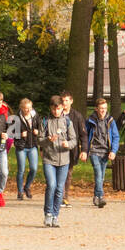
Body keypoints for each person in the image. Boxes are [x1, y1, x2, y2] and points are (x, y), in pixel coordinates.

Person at [39, 94, 76, 227]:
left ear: (62, 108)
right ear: (51, 108)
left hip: (64, 160)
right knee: (52, 185)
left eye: (59, 109)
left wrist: (68, 144)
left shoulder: (67, 121)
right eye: (54, 109)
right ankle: (48, 214)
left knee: (60, 188)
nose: (56, 111)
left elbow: (74, 140)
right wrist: (48, 140)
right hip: (49, 159)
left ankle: (55, 215)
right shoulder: (45, 121)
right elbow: (40, 141)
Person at [82, 97, 119, 207]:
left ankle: (96, 197)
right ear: (96, 109)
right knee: (98, 173)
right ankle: (101, 196)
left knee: (101, 176)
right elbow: (84, 136)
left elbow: (116, 137)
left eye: (105, 108)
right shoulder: (90, 120)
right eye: (101, 108)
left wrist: (113, 151)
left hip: (105, 152)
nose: (103, 110)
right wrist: (84, 150)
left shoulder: (110, 121)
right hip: (94, 151)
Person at [9, 97, 39, 200]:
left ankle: (27, 187)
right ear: (21, 108)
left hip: (33, 146)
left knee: (34, 169)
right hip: (21, 146)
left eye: (30, 108)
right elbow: (10, 133)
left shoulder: (35, 116)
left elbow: (41, 128)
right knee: (21, 169)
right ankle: (20, 191)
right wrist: (20, 134)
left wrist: (38, 132)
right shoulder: (16, 118)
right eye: (26, 108)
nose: (28, 110)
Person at [60, 90, 86, 207]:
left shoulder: (77, 116)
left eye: (66, 100)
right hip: (58, 150)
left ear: (71, 101)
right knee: (59, 174)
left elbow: (83, 135)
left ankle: (65, 197)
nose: (64, 103)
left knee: (68, 174)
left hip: (71, 150)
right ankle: (59, 196)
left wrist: (84, 150)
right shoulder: (56, 114)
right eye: (63, 100)